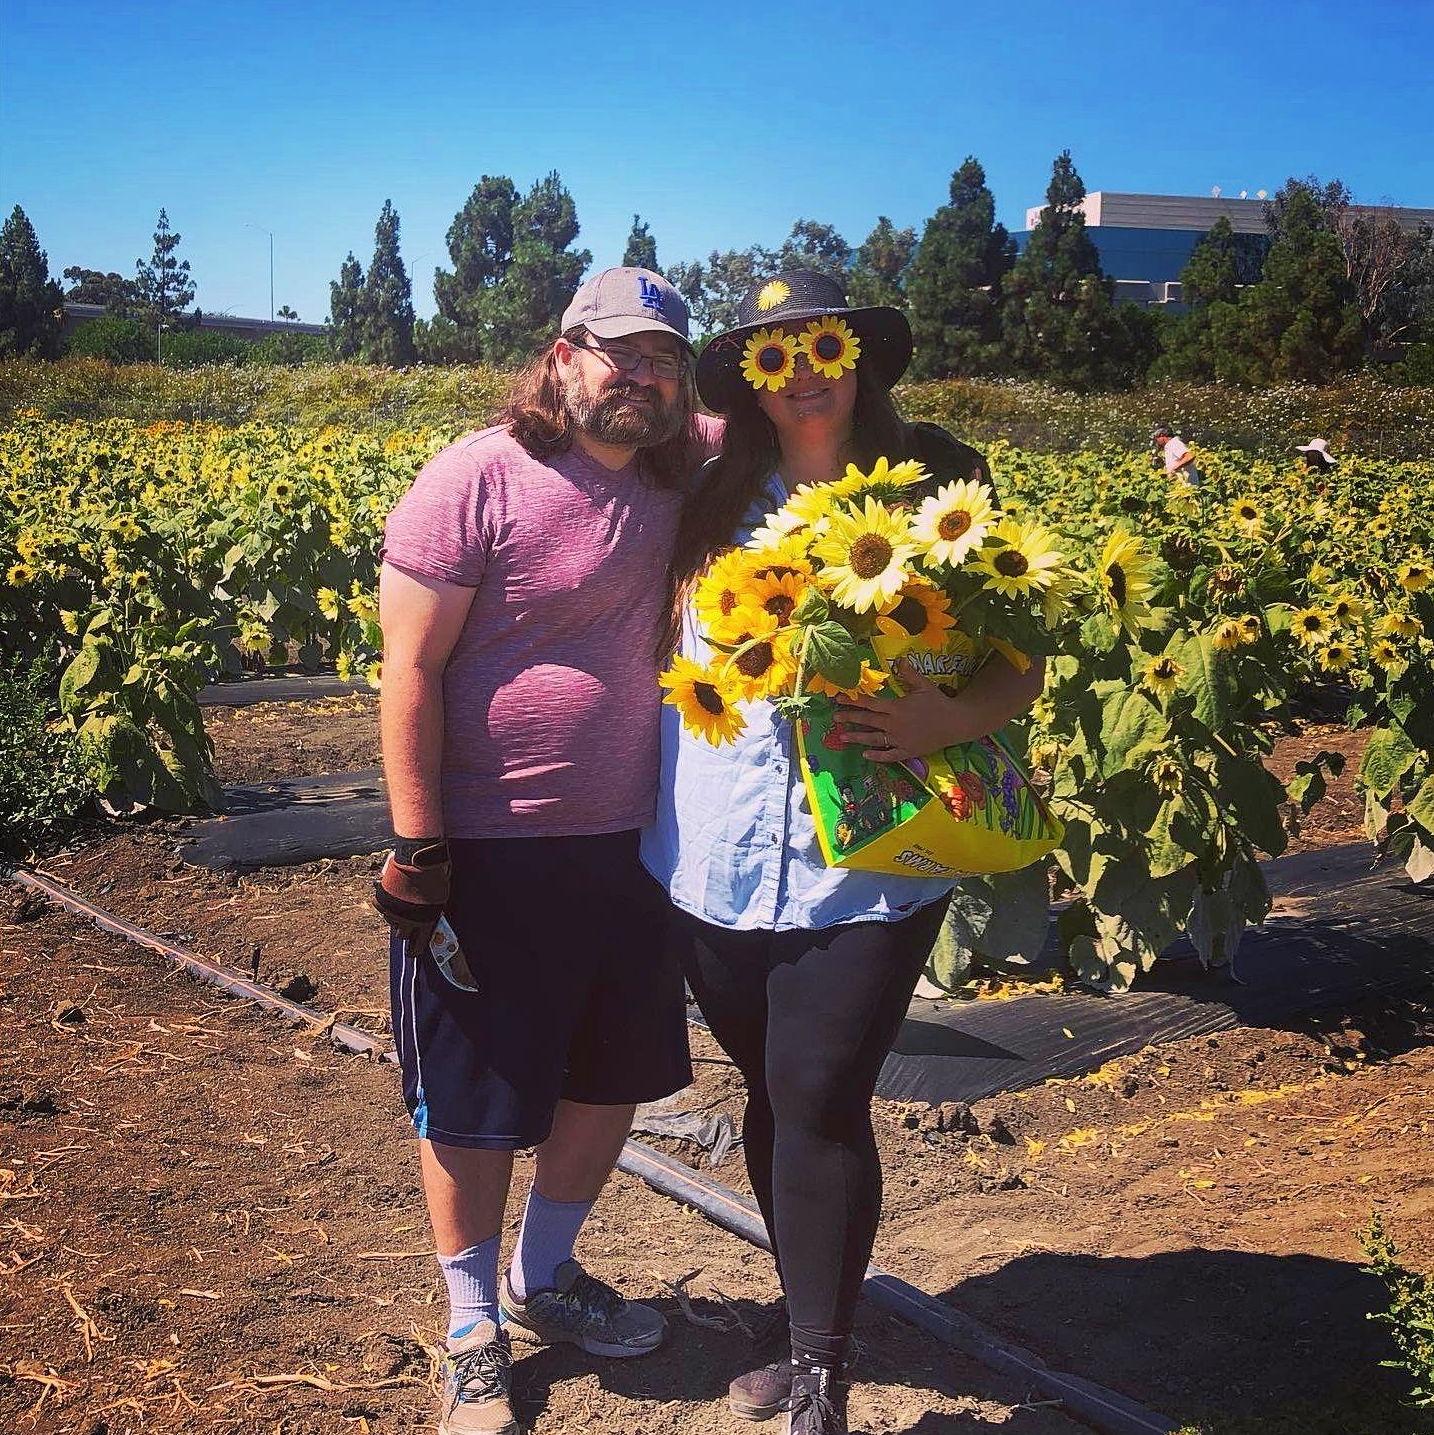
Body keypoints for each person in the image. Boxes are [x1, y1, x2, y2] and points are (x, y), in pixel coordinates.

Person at [642, 271, 1046, 1435]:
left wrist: (950, 718)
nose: (802, 369)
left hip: (870, 862)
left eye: (821, 344)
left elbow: (1021, 654)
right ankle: (802, 1300)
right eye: (774, 356)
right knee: (773, 1096)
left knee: (820, 1089)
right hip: (712, 856)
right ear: (752, 385)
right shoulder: (713, 502)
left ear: (858, 355)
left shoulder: (939, 485)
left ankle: (823, 1368)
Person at [375, 267, 722, 1435]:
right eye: (618, 351)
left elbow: (814, 417)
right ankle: (472, 1322)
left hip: (633, 843)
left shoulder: (686, 472)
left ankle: (543, 1274)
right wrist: (418, 843)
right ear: (562, 354)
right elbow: (410, 671)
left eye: (667, 359)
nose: (642, 375)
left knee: (608, 1076)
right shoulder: (474, 476)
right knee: (472, 1100)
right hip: (486, 845)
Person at [1152, 422, 1202, 488]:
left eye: (1156, 438)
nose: (1156, 441)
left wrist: (1174, 468)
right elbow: (1178, 462)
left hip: (1188, 489)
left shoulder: (1174, 443)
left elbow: (1189, 456)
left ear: (1161, 435)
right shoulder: (1170, 445)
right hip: (1180, 488)